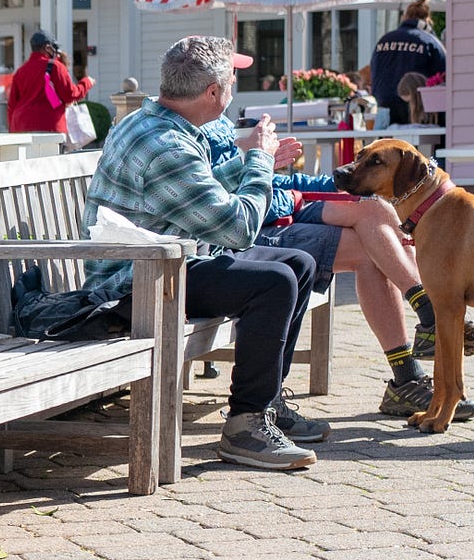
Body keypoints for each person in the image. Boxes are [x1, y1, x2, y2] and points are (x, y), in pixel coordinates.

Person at [82, 35, 327, 471]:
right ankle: (245, 428)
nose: (233, 90)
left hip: (167, 261)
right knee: (274, 283)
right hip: (134, 282)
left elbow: (195, 192)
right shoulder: (167, 144)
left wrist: (249, 156)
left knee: (299, 264)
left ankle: (264, 403)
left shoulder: (158, 123)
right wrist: (261, 163)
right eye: (232, 82)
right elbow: (238, 229)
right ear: (213, 92)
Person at [203, 115, 474, 420]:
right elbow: (220, 203)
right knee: (371, 241)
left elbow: (274, 181)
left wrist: (338, 182)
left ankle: (420, 346)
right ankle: (424, 337)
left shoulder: (217, 122)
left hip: (280, 208)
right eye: (231, 73)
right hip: (251, 231)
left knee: (376, 209)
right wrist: (279, 181)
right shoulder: (186, 129)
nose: (233, 79)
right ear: (211, 89)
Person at [370, 0, 445, 127]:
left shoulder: (384, 39)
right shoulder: (430, 41)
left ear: (404, 17)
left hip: (385, 109)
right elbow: (443, 76)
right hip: (417, 111)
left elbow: (374, 70)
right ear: (427, 20)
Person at [7, 30, 95, 134]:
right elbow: (70, 94)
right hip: (48, 125)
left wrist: (12, 128)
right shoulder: (55, 67)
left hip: (20, 125)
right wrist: (87, 82)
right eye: (54, 47)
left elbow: (12, 105)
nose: (56, 51)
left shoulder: (20, 71)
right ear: (47, 48)